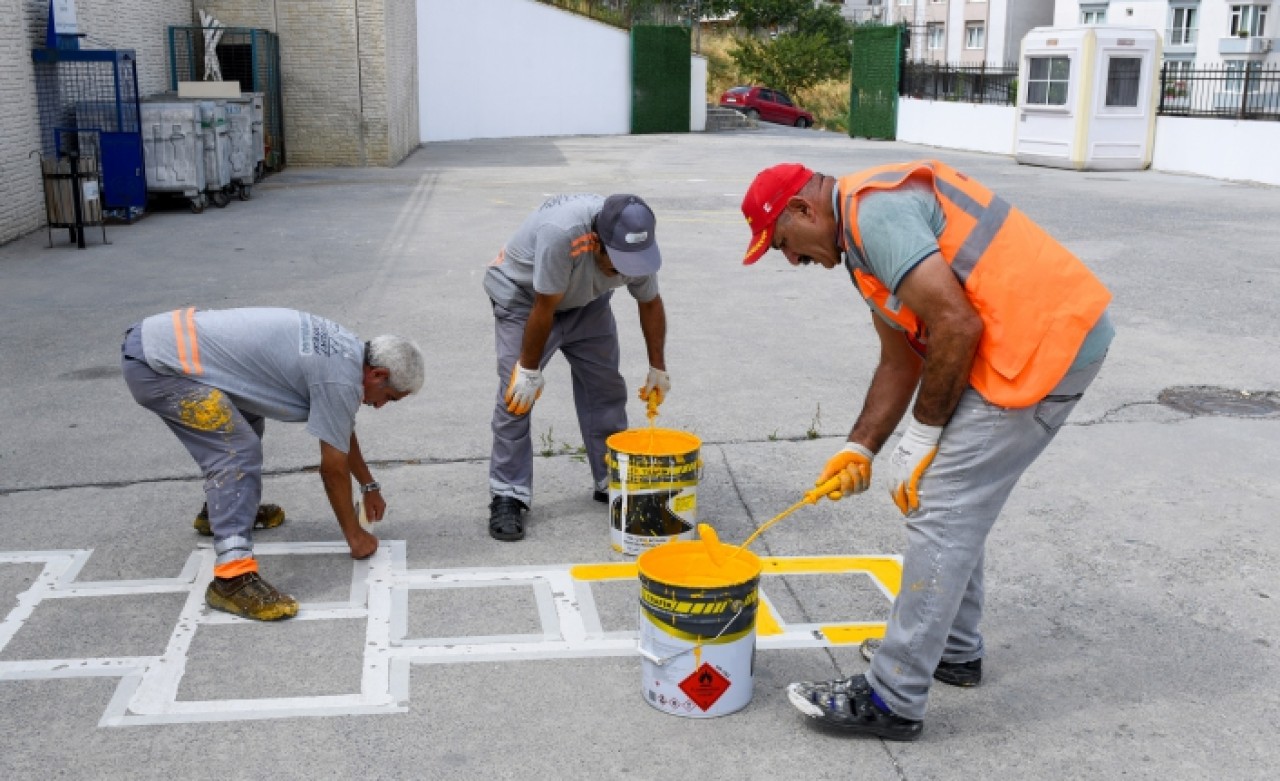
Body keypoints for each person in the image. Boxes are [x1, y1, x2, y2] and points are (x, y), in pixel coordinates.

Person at [739, 160, 1114, 741]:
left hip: (1041, 345)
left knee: (940, 510)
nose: (791, 260)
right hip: (1022, 341)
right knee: (947, 502)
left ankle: (894, 696)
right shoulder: (859, 247)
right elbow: (902, 358)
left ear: (804, 210)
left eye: (785, 245)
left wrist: (923, 435)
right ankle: (954, 651)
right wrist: (859, 446)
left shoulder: (874, 214)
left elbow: (956, 326)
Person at [121, 307, 424, 621]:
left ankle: (221, 515)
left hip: (162, 343)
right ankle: (232, 578)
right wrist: (355, 537)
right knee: (236, 451)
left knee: (247, 423)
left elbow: (340, 428)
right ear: (377, 375)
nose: (379, 406)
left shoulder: (347, 350)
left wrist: (369, 484)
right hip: (160, 366)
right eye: (388, 397)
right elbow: (332, 467)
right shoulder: (341, 380)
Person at [484, 193, 670, 542]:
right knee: (516, 396)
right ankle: (508, 493)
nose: (625, 272)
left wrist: (657, 367)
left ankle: (610, 477)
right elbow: (544, 306)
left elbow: (650, 303)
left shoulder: (636, 247)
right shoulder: (563, 234)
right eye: (617, 264)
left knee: (606, 388)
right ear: (596, 241)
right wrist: (528, 370)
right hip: (525, 298)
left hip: (588, 299)